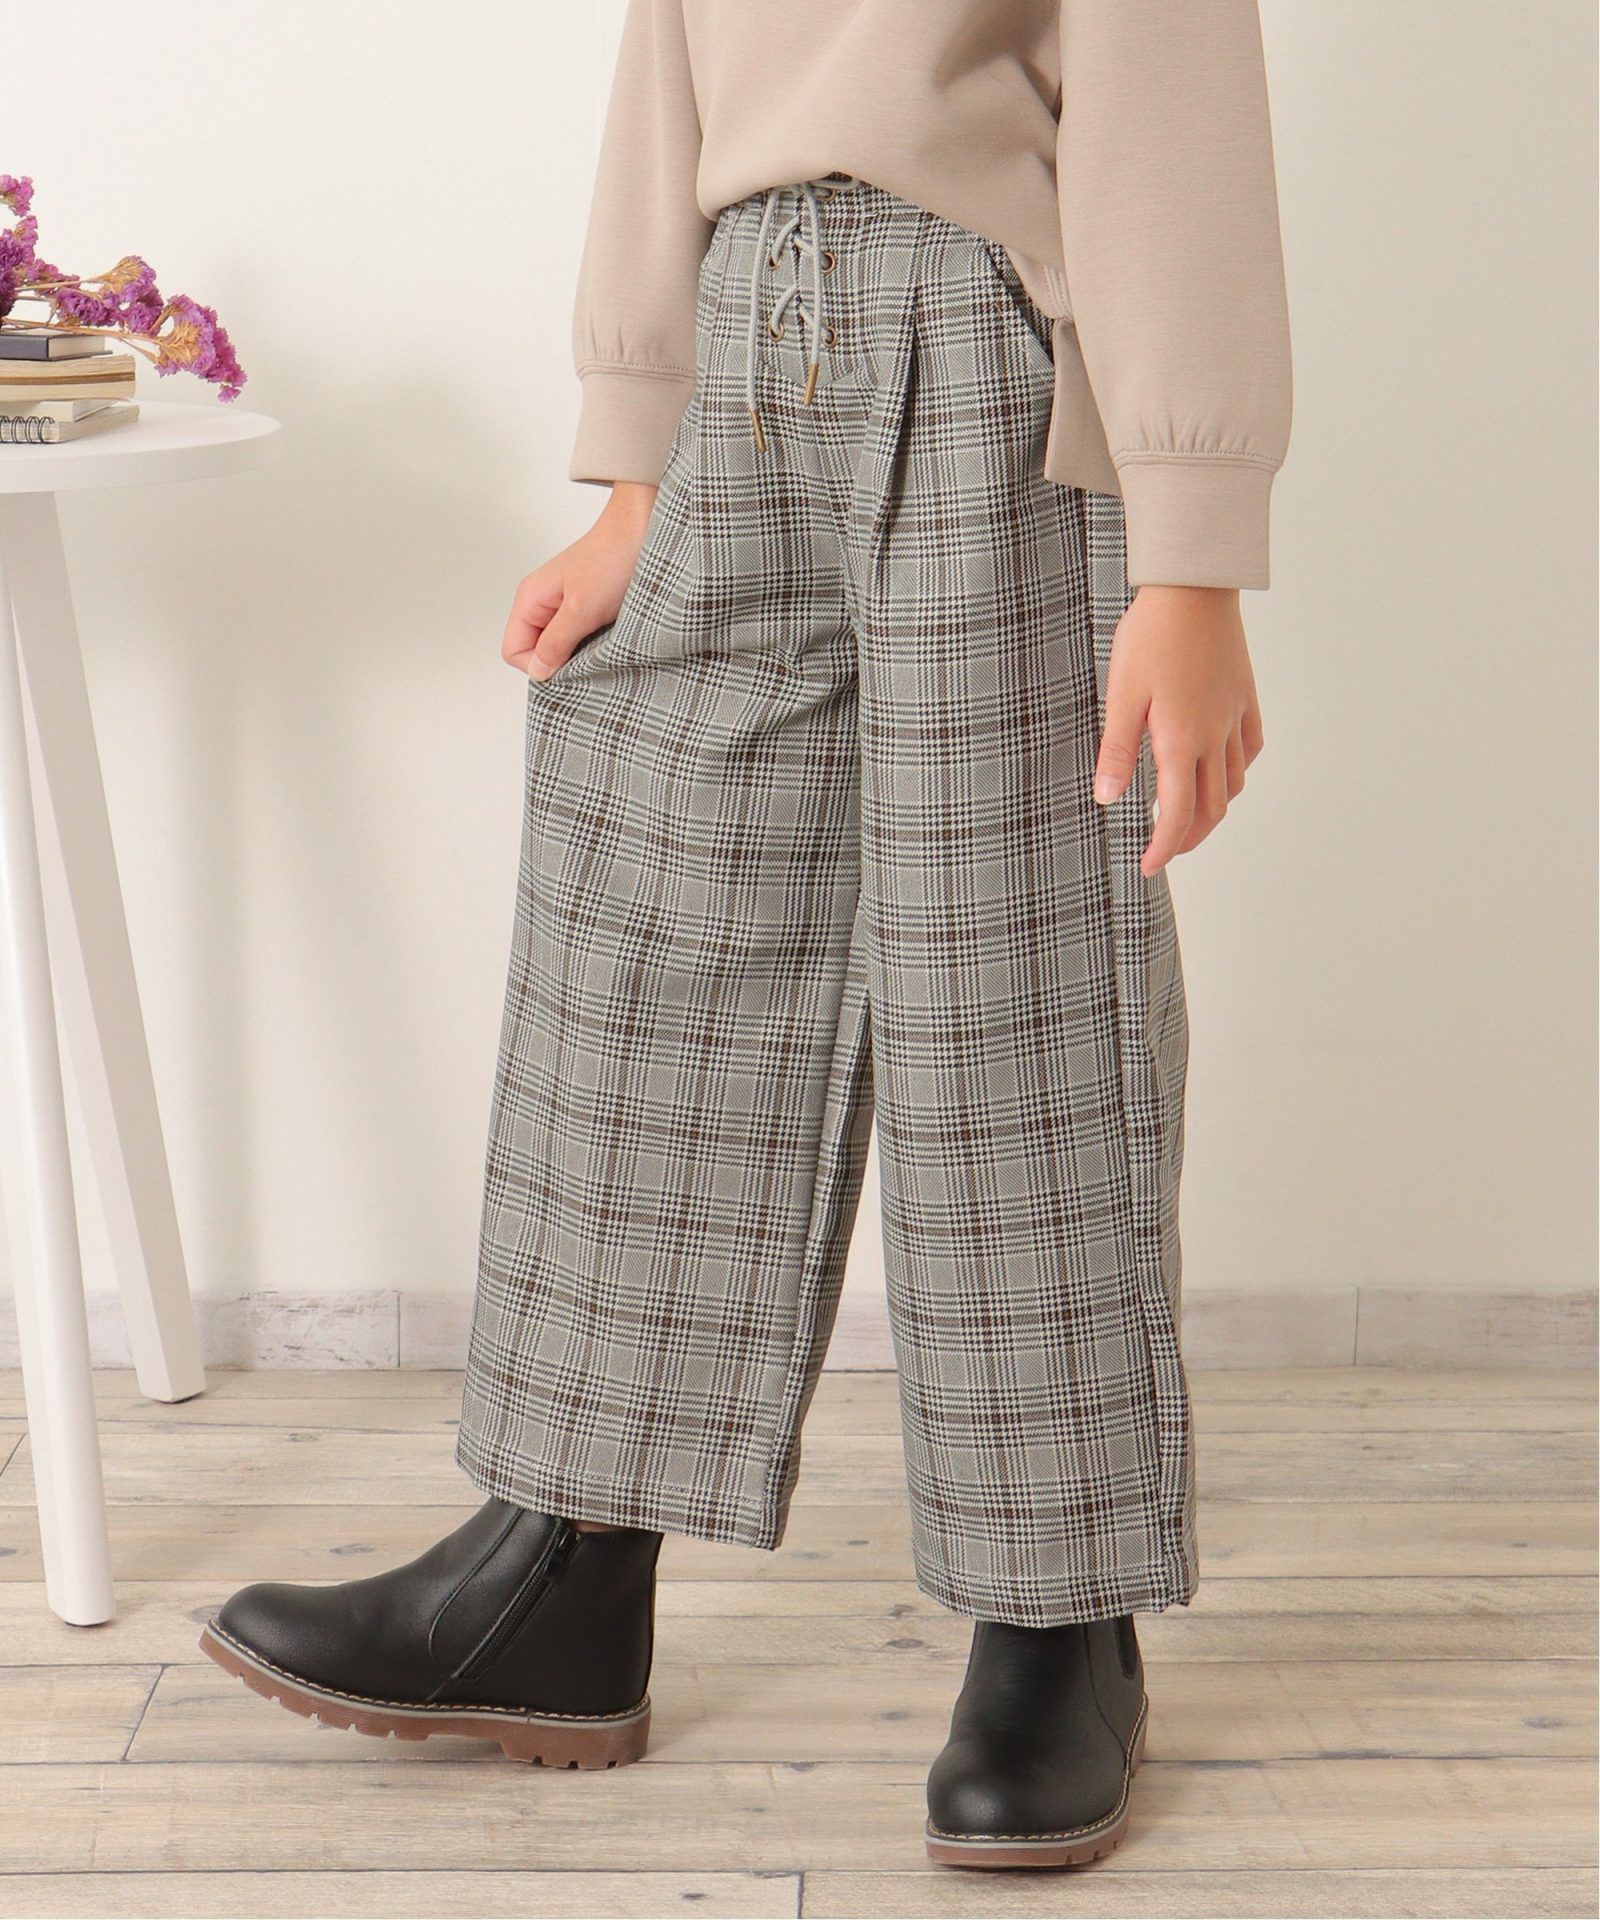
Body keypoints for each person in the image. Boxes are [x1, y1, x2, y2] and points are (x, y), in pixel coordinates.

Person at [201, 0, 1290, 1871]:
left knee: (1011, 979)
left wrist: (1190, 558)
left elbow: (1172, 101)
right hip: (742, 344)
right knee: (655, 921)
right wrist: (641, 465)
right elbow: (671, 67)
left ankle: (1057, 1616)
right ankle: (564, 1563)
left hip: (999, 358)